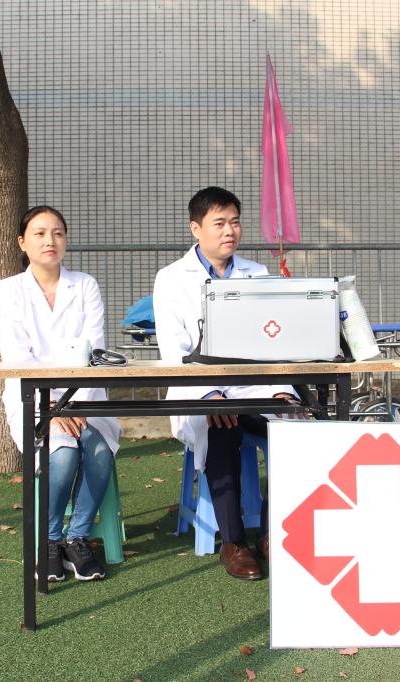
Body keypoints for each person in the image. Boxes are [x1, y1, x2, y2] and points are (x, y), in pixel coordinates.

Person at [153, 187, 302, 581]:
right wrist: (210, 393)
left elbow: (275, 343)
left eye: (234, 222)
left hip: (255, 389)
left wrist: (282, 390)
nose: (229, 231)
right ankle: (234, 542)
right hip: (199, 389)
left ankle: (271, 534)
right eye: (218, 223)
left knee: (294, 428)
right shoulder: (171, 279)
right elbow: (174, 352)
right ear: (195, 229)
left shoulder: (257, 274)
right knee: (220, 423)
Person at [0, 205, 121, 582]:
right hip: (34, 400)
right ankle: (49, 543)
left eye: (58, 233)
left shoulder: (85, 285)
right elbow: (18, 358)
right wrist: (53, 408)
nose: (50, 240)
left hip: (85, 398)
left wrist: (74, 404)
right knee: (62, 455)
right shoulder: (8, 291)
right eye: (39, 233)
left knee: (98, 450)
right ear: (22, 242)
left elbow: (93, 350)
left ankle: (77, 540)